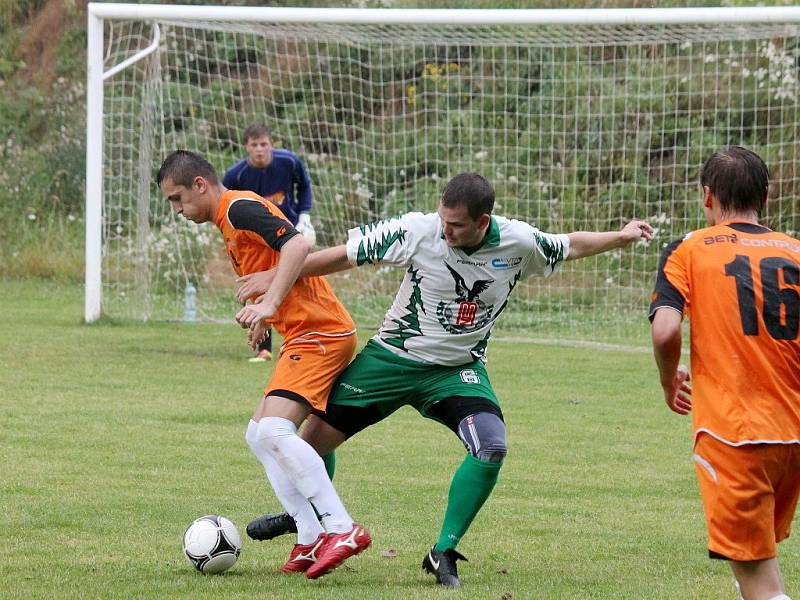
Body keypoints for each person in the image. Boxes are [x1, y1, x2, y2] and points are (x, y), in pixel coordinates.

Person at [236, 172, 654, 587]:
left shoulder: (519, 243)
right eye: (443, 220)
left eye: (456, 225)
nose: (446, 231)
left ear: (483, 221)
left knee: (491, 447)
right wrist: (277, 278)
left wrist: (621, 236)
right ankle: (308, 522)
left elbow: (570, 244)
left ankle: (443, 552)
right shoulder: (418, 231)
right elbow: (344, 256)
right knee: (307, 446)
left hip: (457, 372)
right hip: (391, 361)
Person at [157, 150, 370, 579]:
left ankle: (342, 528)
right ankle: (309, 539)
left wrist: (270, 299)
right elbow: (270, 266)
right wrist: (265, 316)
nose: (178, 211)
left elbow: (296, 244)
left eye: (178, 199)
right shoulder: (228, 222)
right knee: (258, 435)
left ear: (200, 184)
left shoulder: (238, 207)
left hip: (322, 334)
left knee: (274, 430)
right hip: (303, 334)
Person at [650, 147, 799, 600]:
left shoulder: (689, 249)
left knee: (757, 578)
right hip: (793, 432)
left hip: (736, 434)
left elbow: (665, 331)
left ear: (707, 196)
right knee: (755, 565)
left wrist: (667, 379)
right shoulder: (796, 250)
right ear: (766, 195)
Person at [223, 124, 316, 363]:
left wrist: (305, 215)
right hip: (257, 240)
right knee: (259, 285)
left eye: (264, 144)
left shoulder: (289, 162)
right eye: (254, 145)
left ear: (271, 144)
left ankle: (306, 337)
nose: (259, 149)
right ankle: (263, 349)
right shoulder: (237, 175)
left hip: (288, 234)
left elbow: (304, 186)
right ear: (246, 147)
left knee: (298, 283)